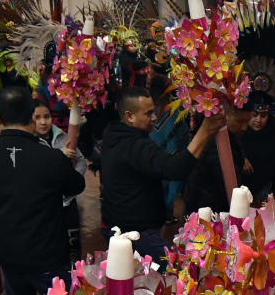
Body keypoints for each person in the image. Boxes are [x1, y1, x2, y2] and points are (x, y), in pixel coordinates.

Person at [0, 87, 85, 295]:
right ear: (32, 117)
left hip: (8, 253)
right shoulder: (51, 159)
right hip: (48, 255)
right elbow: (76, 186)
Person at [101, 87, 225, 262]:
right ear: (129, 116)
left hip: (118, 225)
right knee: (170, 269)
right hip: (134, 232)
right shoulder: (133, 145)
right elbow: (175, 168)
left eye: (154, 112)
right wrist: (205, 131)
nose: (154, 118)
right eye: (148, 113)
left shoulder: (113, 133)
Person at [33, 99, 87, 260]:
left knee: (73, 244)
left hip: (68, 202)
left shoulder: (63, 137)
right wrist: (59, 156)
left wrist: (73, 181)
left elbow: (81, 160)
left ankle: (74, 276)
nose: (43, 122)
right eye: (38, 118)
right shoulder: (30, 144)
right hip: (46, 204)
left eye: (47, 116)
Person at [184, 103, 252, 215]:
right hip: (208, 211)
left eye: (247, 122)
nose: (244, 128)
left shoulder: (231, 136)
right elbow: (226, 184)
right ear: (225, 116)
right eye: (240, 121)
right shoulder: (216, 141)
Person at [240, 94, 275, 201]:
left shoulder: (274, 131)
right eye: (254, 115)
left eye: (263, 115)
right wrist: (240, 158)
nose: (258, 120)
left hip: (264, 191)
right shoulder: (238, 129)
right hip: (238, 188)